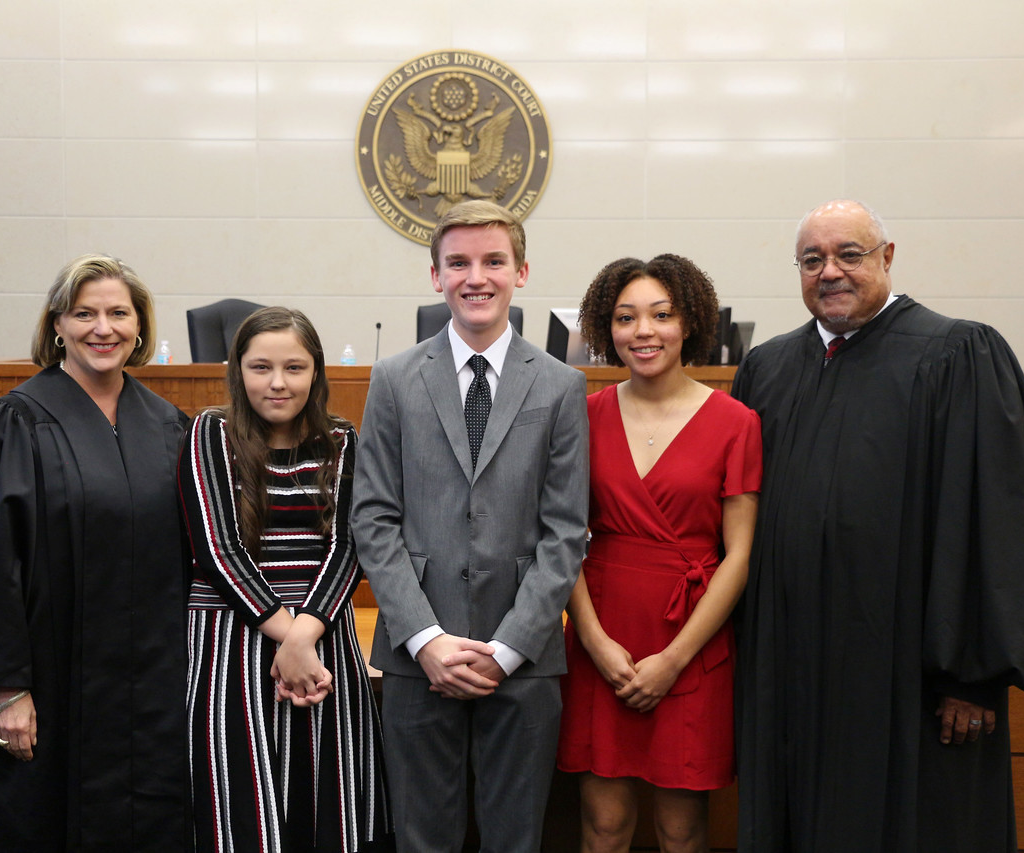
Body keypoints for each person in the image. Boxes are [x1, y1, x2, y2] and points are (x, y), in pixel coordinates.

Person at [730, 199, 1024, 852]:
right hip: (790, 671)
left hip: (911, 680)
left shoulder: (959, 354)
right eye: (811, 259)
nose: (828, 271)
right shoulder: (768, 369)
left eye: (848, 254)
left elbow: (994, 522)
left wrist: (971, 675)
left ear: (886, 257)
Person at [0, 254, 191, 850]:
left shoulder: (171, 427)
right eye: (84, 313)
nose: (103, 328)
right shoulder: (14, 423)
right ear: (57, 325)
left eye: (119, 313)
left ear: (140, 326)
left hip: (155, 692)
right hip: (50, 687)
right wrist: (8, 688)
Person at [351, 199, 590, 853]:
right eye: (457, 262)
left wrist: (508, 647)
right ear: (435, 276)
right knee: (421, 836)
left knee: (515, 837)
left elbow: (565, 530)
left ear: (521, 271)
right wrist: (425, 638)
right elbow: (372, 517)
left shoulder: (562, 385)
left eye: (493, 261)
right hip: (416, 655)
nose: (475, 277)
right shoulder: (395, 379)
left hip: (522, 658)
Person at [558, 255, 761, 853]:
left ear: (689, 321)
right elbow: (561, 538)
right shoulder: (582, 415)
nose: (643, 331)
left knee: (682, 830)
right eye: (625, 318)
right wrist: (593, 642)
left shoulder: (736, 421)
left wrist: (674, 659)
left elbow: (740, 554)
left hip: (690, 642)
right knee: (603, 826)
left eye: (661, 315)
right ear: (605, 329)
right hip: (602, 632)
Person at [178, 306, 392, 852]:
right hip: (233, 642)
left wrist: (303, 637)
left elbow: (350, 546)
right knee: (241, 809)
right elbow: (216, 550)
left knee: (328, 802)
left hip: (322, 642)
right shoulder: (210, 432)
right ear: (237, 371)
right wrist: (287, 634)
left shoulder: (342, 440)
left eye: (295, 368)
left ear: (317, 373)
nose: (277, 383)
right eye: (260, 367)